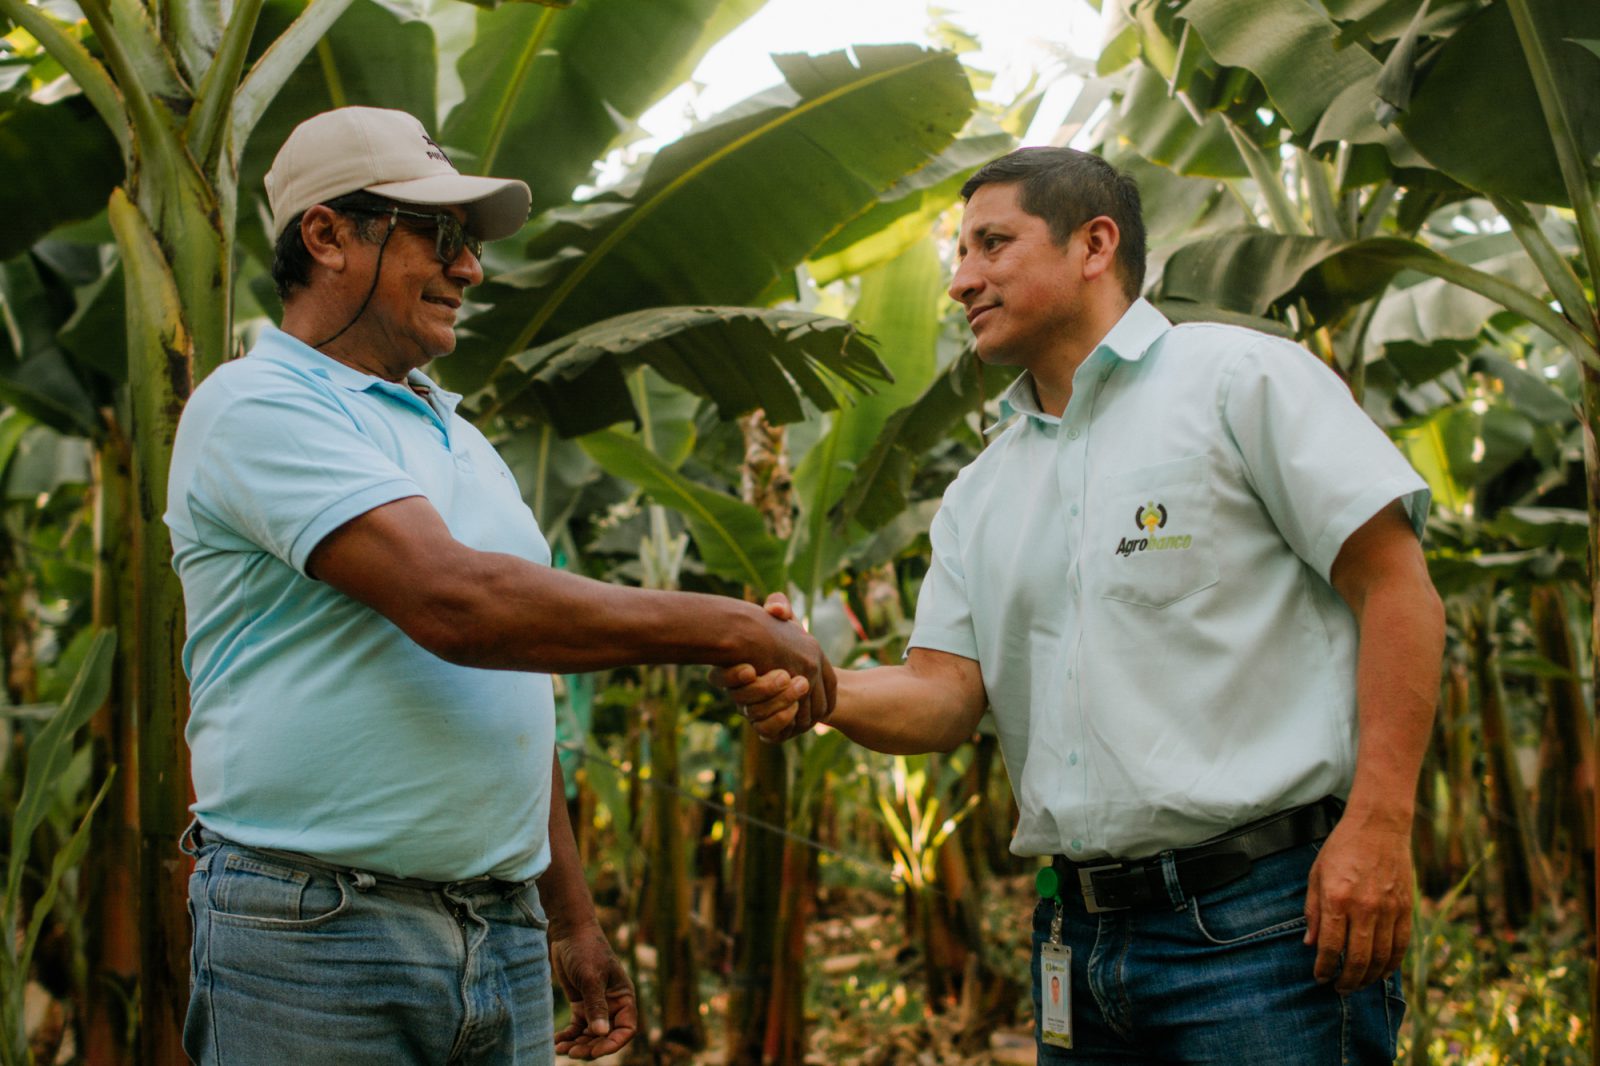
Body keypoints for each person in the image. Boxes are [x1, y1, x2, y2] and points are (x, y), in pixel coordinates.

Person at [721, 147, 1444, 1063]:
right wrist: (821, 684)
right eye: (959, 253)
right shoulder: (980, 491)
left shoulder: (1241, 381)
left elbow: (1397, 588)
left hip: (1264, 926)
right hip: (1077, 943)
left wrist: (1381, 827)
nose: (960, 281)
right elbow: (945, 694)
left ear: (1094, 243)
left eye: (992, 244)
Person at [165, 106, 834, 1066]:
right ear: (326, 237)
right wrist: (733, 627)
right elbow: (459, 607)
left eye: (469, 244)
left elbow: (516, 676)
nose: (470, 268)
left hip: (501, 930)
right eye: (440, 236)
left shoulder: (456, 435)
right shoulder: (256, 404)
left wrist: (568, 915)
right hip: (319, 934)